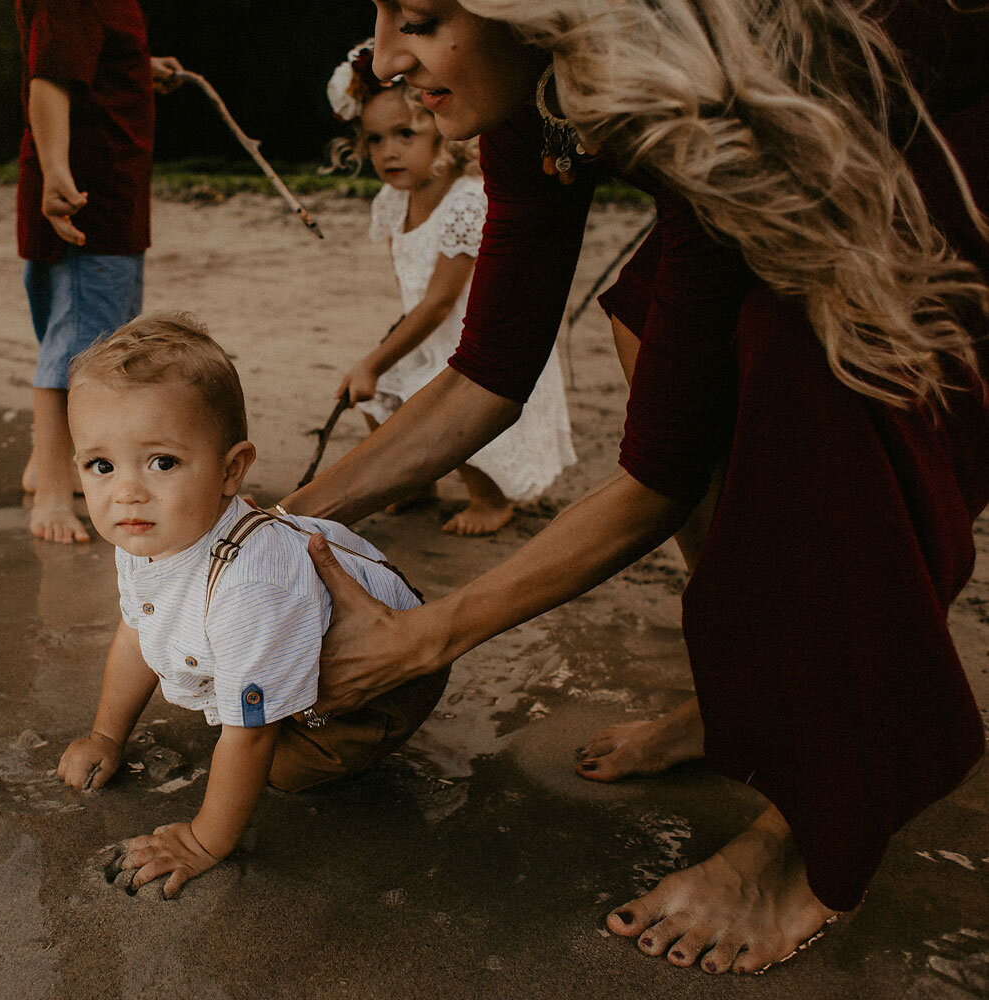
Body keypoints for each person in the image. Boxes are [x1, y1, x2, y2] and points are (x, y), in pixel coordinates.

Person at [283, 0, 989, 976]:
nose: (385, 56)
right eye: (377, 15)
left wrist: (420, 636)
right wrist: (277, 524)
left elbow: (653, 478)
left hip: (932, 132)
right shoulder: (526, 100)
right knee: (651, 316)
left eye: (423, 16)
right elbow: (490, 370)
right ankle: (732, 695)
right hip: (773, 145)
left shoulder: (703, 80)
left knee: (806, 365)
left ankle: (810, 831)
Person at [54, 312, 449, 897]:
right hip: (289, 624)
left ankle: (333, 732)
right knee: (233, 700)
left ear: (231, 470)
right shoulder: (147, 533)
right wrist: (107, 735)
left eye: (162, 462)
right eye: (101, 466)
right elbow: (136, 631)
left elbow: (251, 737)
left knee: (282, 769)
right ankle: (261, 682)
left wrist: (203, 840)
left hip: (386, 680)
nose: (126, 491)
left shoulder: (249, 590)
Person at [324, 41, 574, 534]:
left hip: (476, 340)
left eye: (404, 134)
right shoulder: (392, 204)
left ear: (441, 136)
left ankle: (490, 499)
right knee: (376, 398)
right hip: (429, 337)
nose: (388, 151)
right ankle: (417, 484)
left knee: (440, 410)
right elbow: (410, 294)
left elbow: (440, 302)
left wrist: (375, 360)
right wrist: (384, 357)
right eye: (374, 140)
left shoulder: (465, 202)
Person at [14, 0, 184, 544]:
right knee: (81, 352)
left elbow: (82, 58)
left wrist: (136, 66)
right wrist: (58, 171)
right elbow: (50, 81)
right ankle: (54, 496)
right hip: (90, 196)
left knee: (72, 332)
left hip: (94, 190)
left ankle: (49, 463)